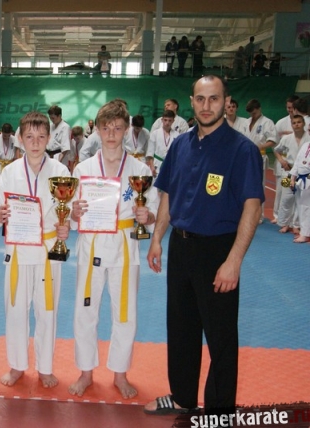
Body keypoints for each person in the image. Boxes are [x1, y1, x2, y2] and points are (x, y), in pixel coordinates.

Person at [144, 75, 263, 416]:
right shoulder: (180, 145)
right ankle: (182, 396)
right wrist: (157, 239)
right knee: (181, 328)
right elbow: (168, 195)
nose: (206, 106)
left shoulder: (242, 150)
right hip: (181, 247)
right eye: (200, 98)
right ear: (192, 102)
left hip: (218, 250)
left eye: (214, 99)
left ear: (226, 102)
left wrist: (234, 261)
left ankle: (219, 411)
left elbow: (252, 207)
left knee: (220, 336)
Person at [68, 100, 157, 400]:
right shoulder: (83, 168)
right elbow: (71, 210)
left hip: (125, 245)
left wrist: (147, 216)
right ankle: (86, 372)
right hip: (92, 243)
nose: (111, 134)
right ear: (97, 129)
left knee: (125, 312)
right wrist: (74, 212)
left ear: (126, 130)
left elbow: (153, 208)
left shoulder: (139, 169)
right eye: (106, 128)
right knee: (85, 310)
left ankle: (120, 373)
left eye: (118, 128)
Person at [0, 111, 70, 388]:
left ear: (49, 138)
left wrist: (66, 225)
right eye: (29, 137)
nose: (35, 143)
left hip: (48, 249)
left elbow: (68, 210)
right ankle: (17, 365)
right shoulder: (10, 172)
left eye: (41, 136)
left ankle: (45, 367)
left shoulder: (60, 172)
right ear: (20, 139)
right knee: (15, 309)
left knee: (47, 310)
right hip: (18, 249)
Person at [238, 99, 277, 222]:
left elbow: (273, 140)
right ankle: (245, 213)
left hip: (260, 156)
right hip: (245, 157)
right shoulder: (246, 122)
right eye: (250, 113)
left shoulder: (267, 122)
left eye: (254, 113)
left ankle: (259, 215)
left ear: (259, 109)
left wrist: (259, 147)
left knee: (258, 186)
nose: (252, 115)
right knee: (244, 185)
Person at [275, 115, 307, 236]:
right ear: (292, 125)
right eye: (294, 123)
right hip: (288, 172)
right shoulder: (287, 138)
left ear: (303, 124)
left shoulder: (308, 139)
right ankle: (284, 223)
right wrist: (282, 161)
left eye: (299, 122)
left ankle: (296, 225)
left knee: (301, 199)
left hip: (304, 173)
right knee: (286, 198)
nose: (296, 125)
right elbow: (277, 150)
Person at [147, 110, 179, 177]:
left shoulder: (177, 135)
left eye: (170, 120)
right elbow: (150, 152)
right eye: (165, 120)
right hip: (156, 164)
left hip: (171, 165)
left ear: (173, 121)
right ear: (162, 120)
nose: (167, 123)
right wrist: (152, 167)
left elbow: (178, 153)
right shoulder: (155, 134)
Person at [290, 137, 310, 243]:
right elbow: (297, 163)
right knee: (301, 207)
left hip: (308, 179)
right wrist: (293, 178)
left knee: (306, 208)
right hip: (300, 180)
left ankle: (305, 234)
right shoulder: (305, 145)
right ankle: (304, 232)